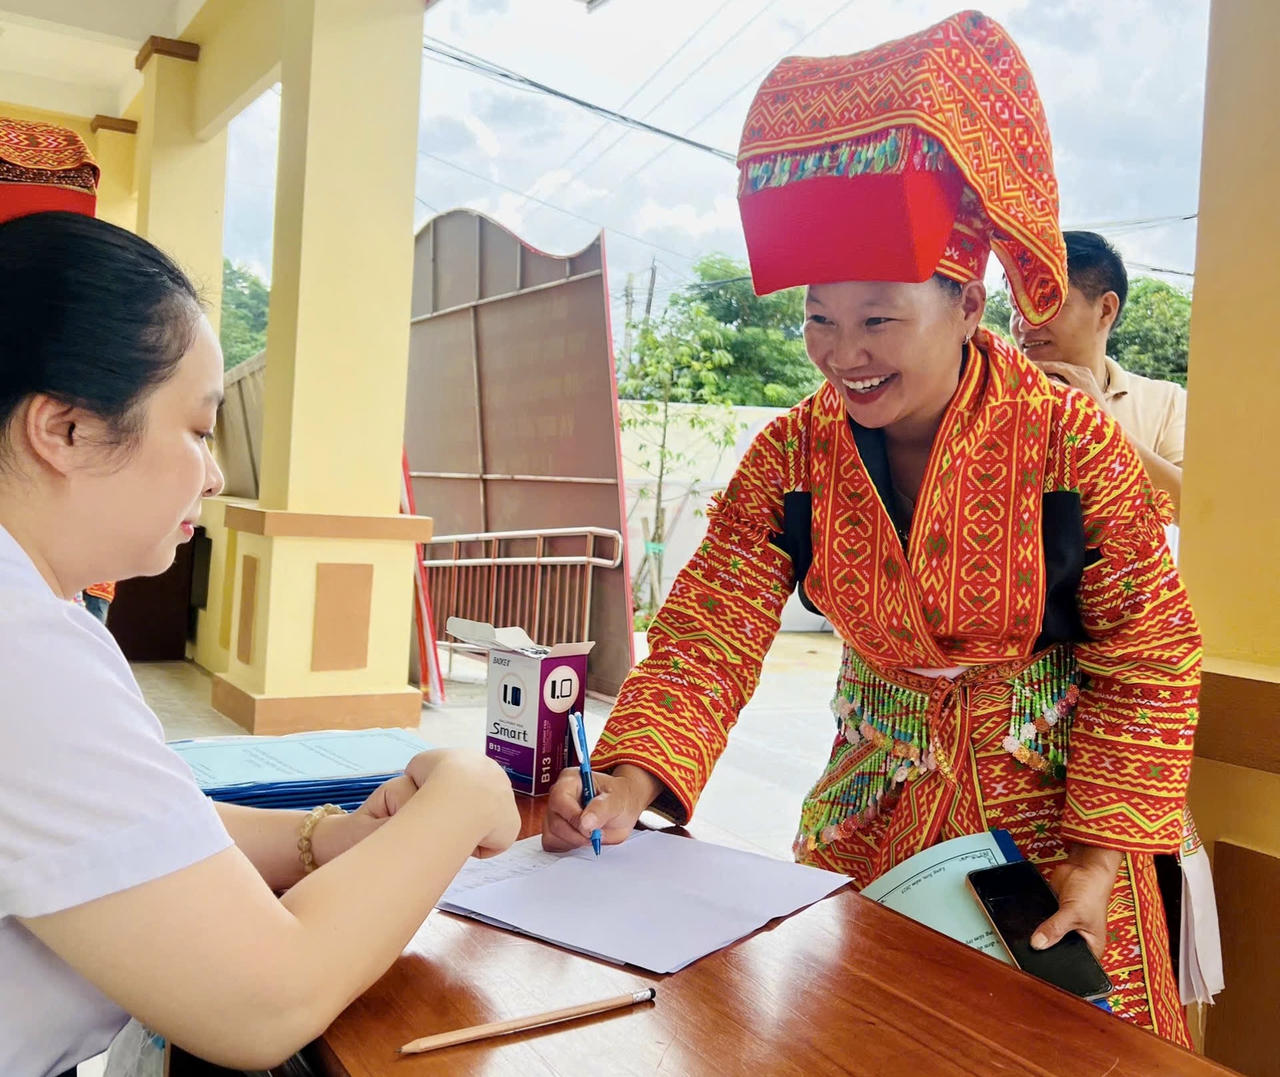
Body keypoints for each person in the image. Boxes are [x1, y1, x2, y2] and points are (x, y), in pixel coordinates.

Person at [543, 11, 1200, 1046]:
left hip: (1054, 829)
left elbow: (1149, 650)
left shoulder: (1066, 439)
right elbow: (710, 632)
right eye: (818, 319)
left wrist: (1100, 852)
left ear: (963, 307)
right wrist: (632, 775)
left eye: (877, 320)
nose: (840, 353)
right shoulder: (791, 453)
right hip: (872, 806)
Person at [0, 211, 520, 1077]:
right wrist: (466, 790)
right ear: (66, 430)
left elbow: (127, 828)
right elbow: (266, 999)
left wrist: (333, 837)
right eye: (200, 430)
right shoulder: (23, 652)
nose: (214, 474)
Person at [1010, 230, 1187, 520]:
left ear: (1105, 310)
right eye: (1016, 306)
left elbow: (1194, 512)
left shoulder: (1166, 402)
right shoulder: (989, 399)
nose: (1024, 325)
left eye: (1045, 305)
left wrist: (1101, 426)